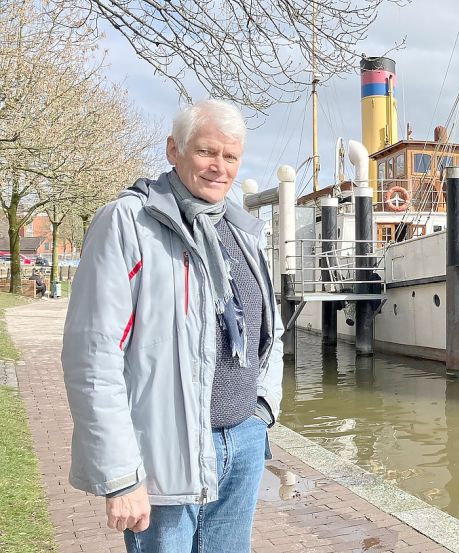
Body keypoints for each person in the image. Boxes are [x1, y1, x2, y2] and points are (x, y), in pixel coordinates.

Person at [62, 99, 284, 552]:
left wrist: (262, 410)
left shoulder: (243, 233)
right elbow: (93, 353)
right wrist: (121, 476)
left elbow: (270, 331)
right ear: (173, 150)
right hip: (165, 456)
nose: (219, 167)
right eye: (206, 152)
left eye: (231, 157)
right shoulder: (127, 223)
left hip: (241, 445)